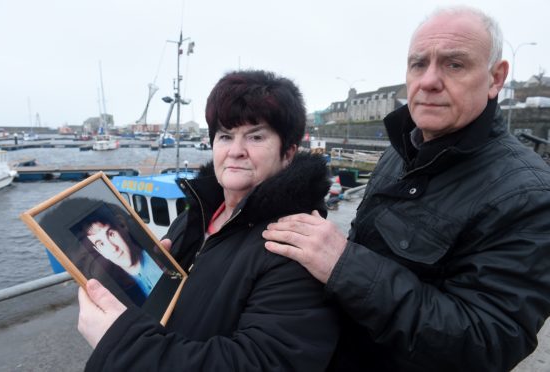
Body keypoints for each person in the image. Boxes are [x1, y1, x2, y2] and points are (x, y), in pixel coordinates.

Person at [263, 6, 550, 371]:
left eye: (454, 64)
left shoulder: (529, 195)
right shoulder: (399, 152)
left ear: (496, 78)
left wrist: (345, 264)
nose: (429, 80)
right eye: (418, 64)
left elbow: (487, 343)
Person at [77, 70, 339, 371]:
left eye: (255, 136)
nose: (235, 151)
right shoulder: (197, 216)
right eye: (225, 135)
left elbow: (262, 362)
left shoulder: (296, 246)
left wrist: (124, 347)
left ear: (288, 153)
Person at [72, 204, 163, 304]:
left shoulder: (160, 261)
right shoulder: (117, 294)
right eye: (101, 244)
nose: (113, 248)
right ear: (99, 251)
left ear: (122, 225)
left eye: (111, 234)